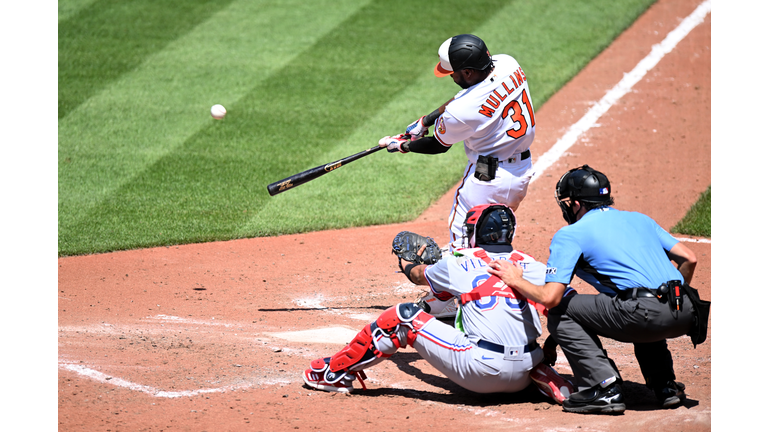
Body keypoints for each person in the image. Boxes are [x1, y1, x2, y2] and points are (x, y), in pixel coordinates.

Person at [302, 204, 574, 404]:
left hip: (482, 372)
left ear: (477, 231)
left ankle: (334, 373)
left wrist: (407, 263)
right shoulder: (534, 266)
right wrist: (549, 346)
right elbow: (568, 308)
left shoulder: (459, 262)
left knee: (403, 317)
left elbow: (419, 276)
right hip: (527, 368)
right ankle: (543, 373)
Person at [487, 165, 701, 414]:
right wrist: (671, 302)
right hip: (686, 311)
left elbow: (551, 298)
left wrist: (515, 279)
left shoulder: (571, 234)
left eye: (567, 202)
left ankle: (604, 388)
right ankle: (665, 386)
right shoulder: (641, 219)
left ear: (576, 204)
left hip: (644, 315)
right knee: (640, 301)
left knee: (565, 308)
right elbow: (689, 258)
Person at [378, 34, 537, 252]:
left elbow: (438, 145)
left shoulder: (460, 113)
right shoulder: (509, 64)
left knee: (463, 241)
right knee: (495, 236)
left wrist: (402, 146)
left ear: (468, 72)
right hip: (521, 171)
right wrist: (426, 120)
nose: (451, 77)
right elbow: (467, 94)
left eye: (453, 73)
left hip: (486, 179)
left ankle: (468, 284)